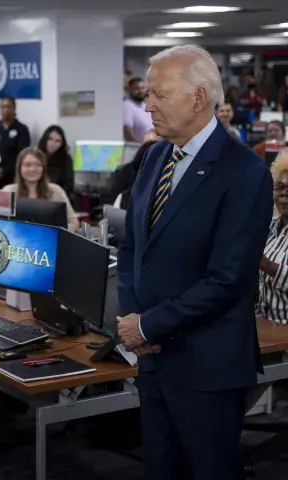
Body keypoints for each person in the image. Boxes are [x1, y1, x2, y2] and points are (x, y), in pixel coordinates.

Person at [116, 45, 273, 480]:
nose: (147, 106)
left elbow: (227, 279)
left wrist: (148, 326)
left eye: (159, 95)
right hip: (153, 360)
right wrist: (132, 317)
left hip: (206, 368)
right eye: (147, 95)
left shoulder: (244, 172)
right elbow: (132, 249)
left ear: (199, 98)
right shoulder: (153, 157)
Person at [2, 147, 79, 231]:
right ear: (19, 168)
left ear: (43, 168)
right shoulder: (8, 191)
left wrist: (57, 234)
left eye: (38, 165)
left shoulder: (56, 191)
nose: (32, 169)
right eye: (28, 165)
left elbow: (74, 222)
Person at [256, 150, 288, 324]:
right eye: (279, 187)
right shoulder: (269, 228)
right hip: (265, 326)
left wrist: (267, 265)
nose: (284, 194)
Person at [0, 95, 31, 189]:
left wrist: (4, 170)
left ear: (14, 109)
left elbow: (22, 154)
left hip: (11, 176)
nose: (6, 110)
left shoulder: (22, 129)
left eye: (9, 107)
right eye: (3, 107)